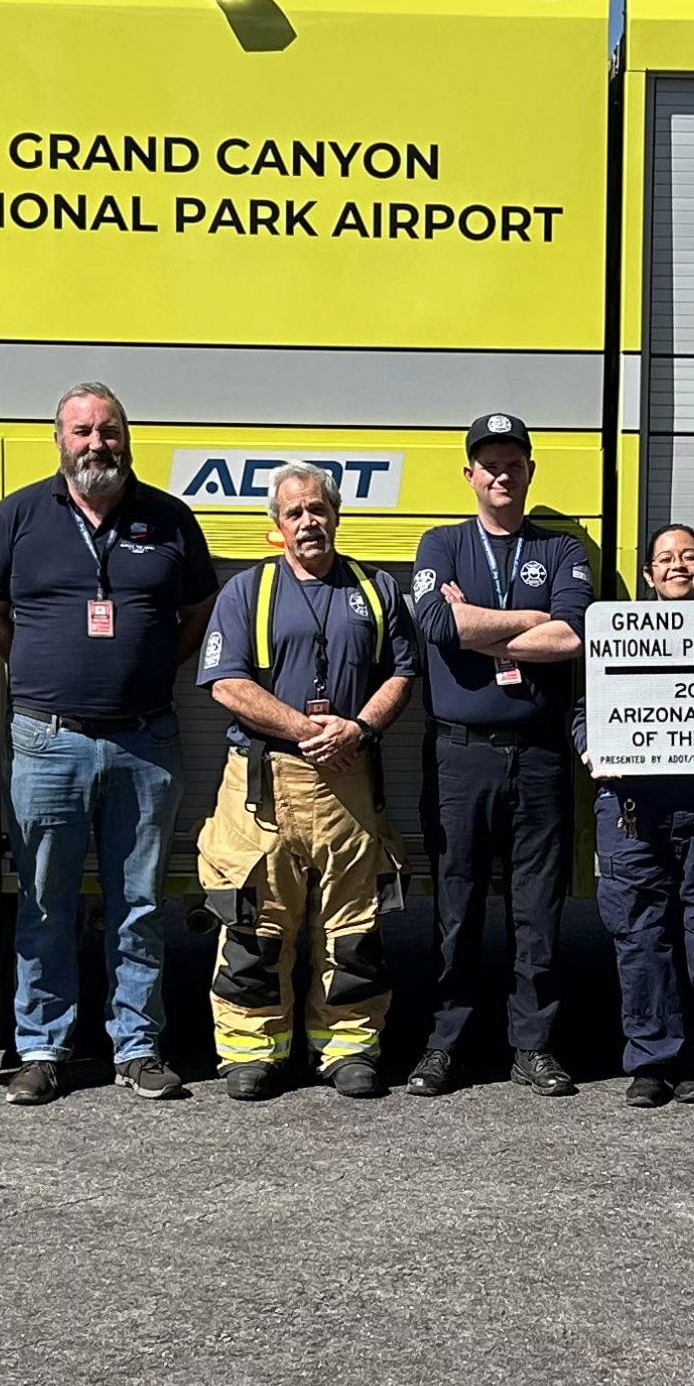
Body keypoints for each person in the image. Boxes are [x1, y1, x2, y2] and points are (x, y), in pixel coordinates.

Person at [0, 381, 220, 1105]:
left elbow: (200, 607)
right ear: (59, 441)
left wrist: (144, 665)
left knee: (138, 902)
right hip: (48, 742)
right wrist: (43, 668)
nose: (96, 444)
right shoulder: (19, 515)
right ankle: (43, 1048)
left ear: (127, 438)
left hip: (145, 742)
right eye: (81, 432)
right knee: (45, 901)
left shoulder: (169, 519)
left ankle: (137, 1048)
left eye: (108, 431)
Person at [196, 467, 421, 1099]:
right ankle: (250, 1051)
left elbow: (403, 673)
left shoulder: (377, 589)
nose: (307, 522)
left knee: (354, 923)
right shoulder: (246, 591)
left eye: (317, 509)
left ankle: (349, 1046)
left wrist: (360, 728)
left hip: (349, 777)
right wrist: (302, 728)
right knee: (254, 920)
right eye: (294, 513)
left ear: (336, 515)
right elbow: (225, 683)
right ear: (277, 524)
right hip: (262, 784)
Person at [405, 411, 595, 1097]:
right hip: (459, 757)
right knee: (456, 909)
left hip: (539, 758)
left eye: (513, 462)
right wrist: (528, 622)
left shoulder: (564, 549)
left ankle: (533, 1046)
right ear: (470, 475)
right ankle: (445, 1043)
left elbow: (573, 638)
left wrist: (478, 628)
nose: (501, 473)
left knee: (537, 909)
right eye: (489, 463)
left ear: (529, 470)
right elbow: (431, 622)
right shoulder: (441, 544)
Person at [593, 524, 694, 1107]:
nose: (678, 566)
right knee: (641, 934)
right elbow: (588, 705)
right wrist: (591, 743)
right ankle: (651, 1062)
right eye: (665, 559)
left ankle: (692, 1062)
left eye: (689, 556)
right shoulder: (616, 633)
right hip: (634, 806)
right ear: (649, 576)